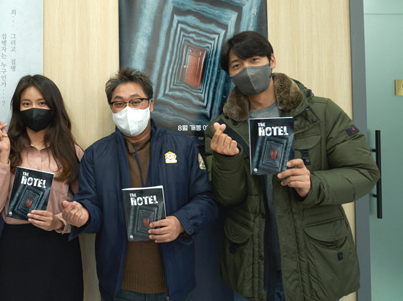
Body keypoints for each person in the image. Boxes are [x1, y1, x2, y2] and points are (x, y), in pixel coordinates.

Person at [204, 31, 380, 301]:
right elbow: (228, 197)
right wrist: (227, 161)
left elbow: (364, 173)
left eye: (254, 60)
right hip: (255, 264)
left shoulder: (321, 112)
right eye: (237, 65)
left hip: (315, 262)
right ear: (230, 74)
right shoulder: (222, 128)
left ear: (271, 60)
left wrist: (314, 183)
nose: (247, 70)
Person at [62, 67, 218, 301]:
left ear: (150, 104)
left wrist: (180, 222)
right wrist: (83, 215)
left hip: (173, 281)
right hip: (120, 284)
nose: (128, 109)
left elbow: (206, 200)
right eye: (119, 103)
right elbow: (90, 204)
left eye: (136, 101)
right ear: (112, 109)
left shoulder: (182, 147)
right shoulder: (96, 155)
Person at [0, 74, 83, 301]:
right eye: (26, 104)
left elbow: (84, 203)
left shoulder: (71, 151)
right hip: (17, 246)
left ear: (54, 107)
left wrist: (59, 222)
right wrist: (4, 156)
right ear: (18, 109)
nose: (34, 109)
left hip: (59, 245)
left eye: (42, 103)